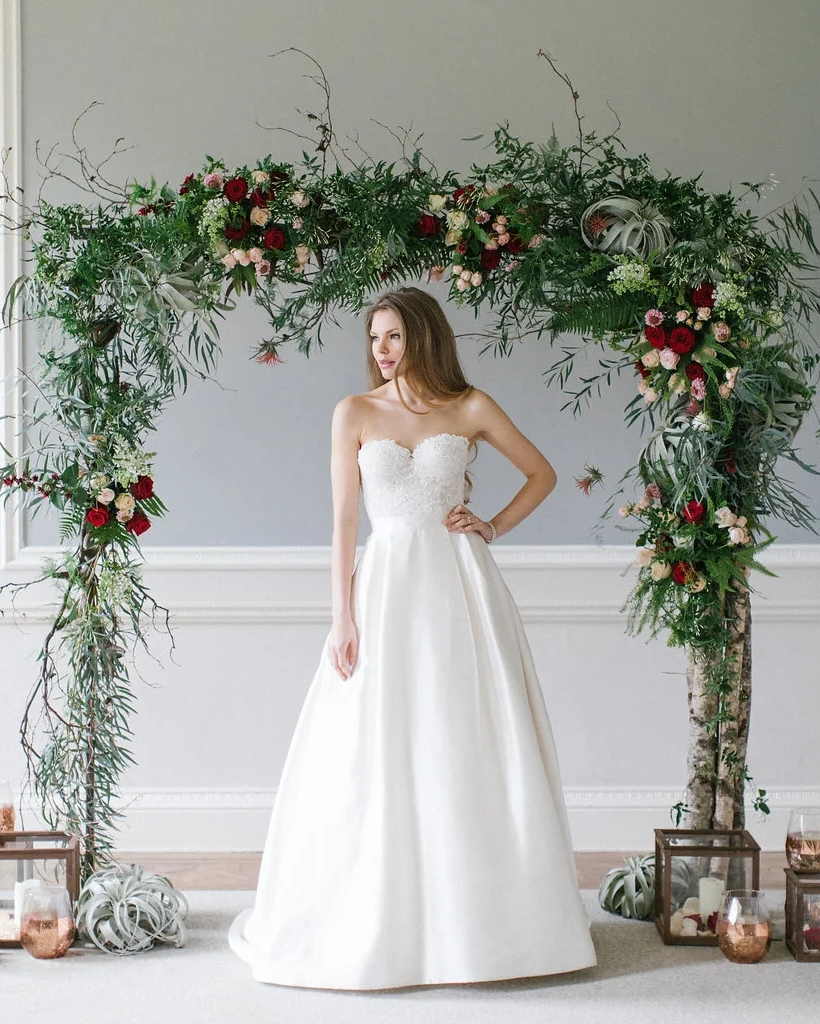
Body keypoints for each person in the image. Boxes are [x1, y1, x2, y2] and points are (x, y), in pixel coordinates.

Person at [227, 286, 597, 989]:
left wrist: (492, 524)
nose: (382, 350)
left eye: (394, 335)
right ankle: (383, 923)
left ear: (424, 336)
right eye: (375, 339)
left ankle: (486, 930)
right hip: (387, 585)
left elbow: (541, 474)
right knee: (378, 743)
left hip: (460, 585)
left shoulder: (471, 406)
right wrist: (342, 616)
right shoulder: (355, 412)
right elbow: (342, 520)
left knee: (466, 737)